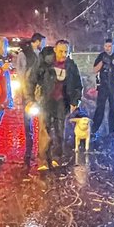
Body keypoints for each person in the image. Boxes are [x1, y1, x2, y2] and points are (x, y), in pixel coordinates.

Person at [35, 40, 82, 170]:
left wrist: (74, 101)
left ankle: (57, 157)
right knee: (44, 129)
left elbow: (78, 85)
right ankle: (43, 159)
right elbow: (34, 78)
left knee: (60, 130)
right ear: (55, 50)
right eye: (61, 51)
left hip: (62, 101)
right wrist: (31, 98)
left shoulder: (71, 66)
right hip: (46, 100)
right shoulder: (46, 63)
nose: (63, 54)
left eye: (66, 51)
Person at [14, 32, 46, 164]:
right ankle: (29, 146)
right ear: (37, 41)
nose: (43, 44)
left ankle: (40, 145)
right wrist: (22, 91)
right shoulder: (24, 54)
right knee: (28, 118)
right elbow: (20, 73)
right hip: (28, 91)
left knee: (39, 117)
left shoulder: (41, 54)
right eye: (42, 42)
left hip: (38, 91)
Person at [91, 36, 114, 139]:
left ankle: (112, 131)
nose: (108, 48)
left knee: (113, 109)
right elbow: (95, 70)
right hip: (103, 87)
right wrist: (102, 62)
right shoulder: (101, 56)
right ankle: (94, 129)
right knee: (100, 109)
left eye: (110, 46)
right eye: (106, 46)